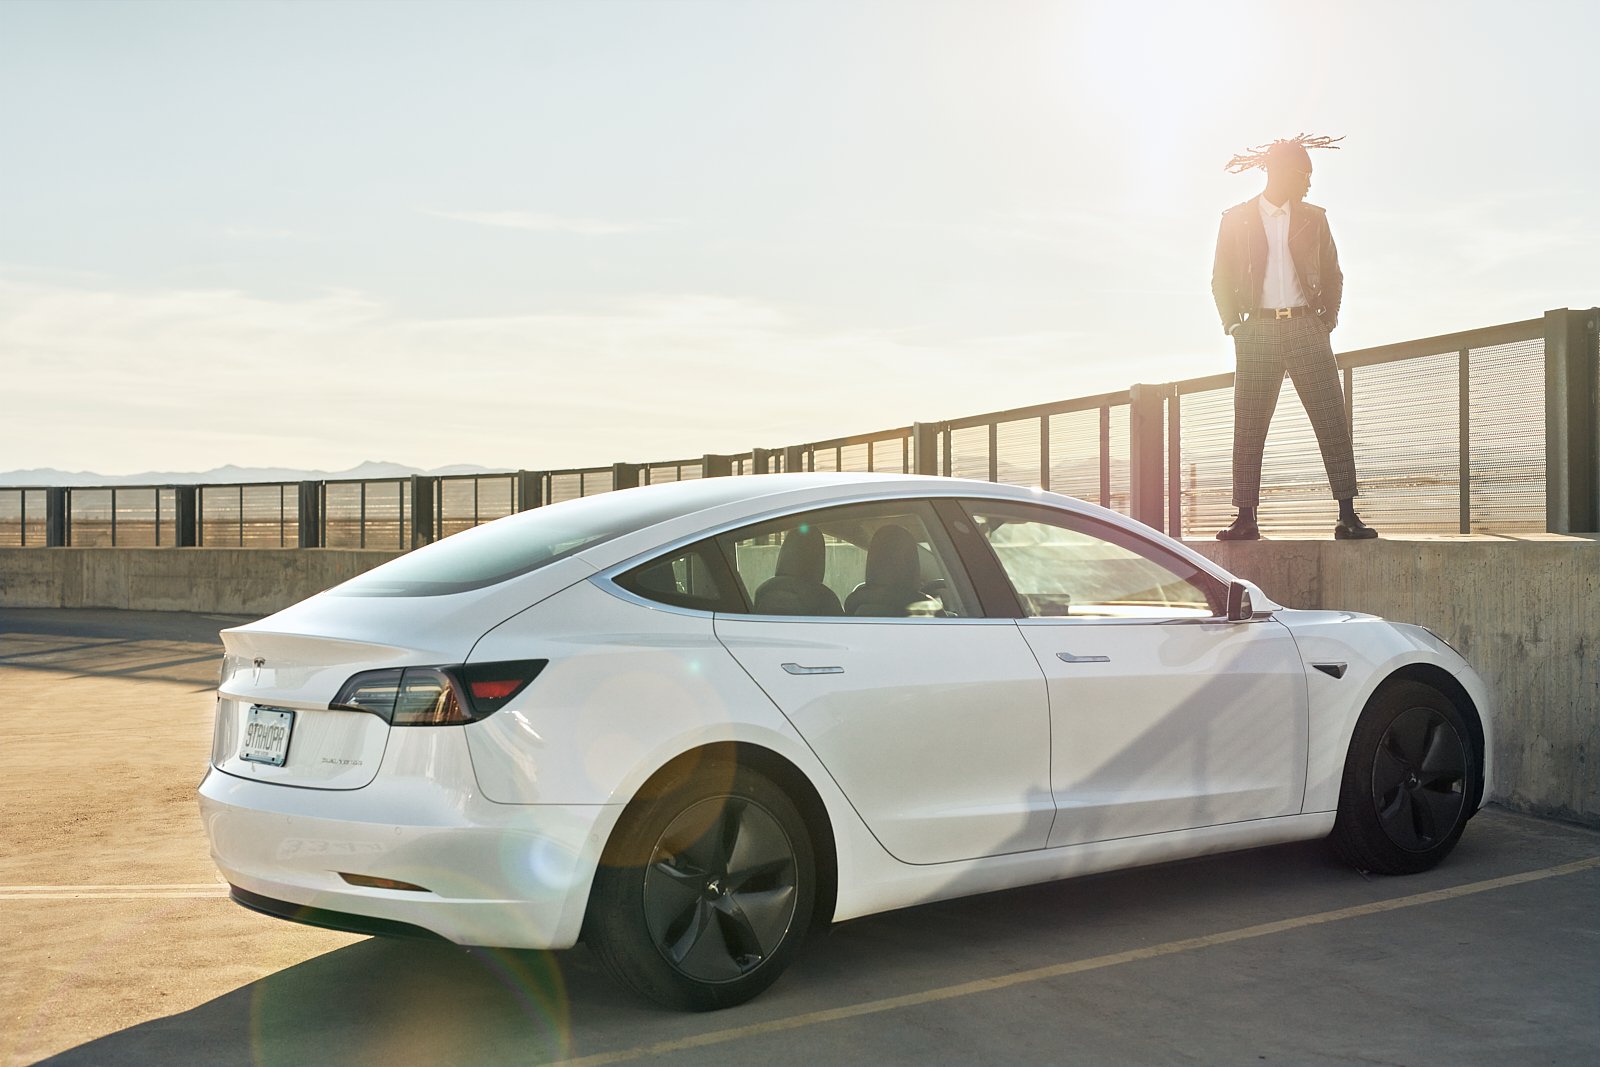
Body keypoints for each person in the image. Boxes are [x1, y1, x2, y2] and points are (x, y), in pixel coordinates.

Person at [1211, 135, 1377, 541]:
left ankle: (1346, 514)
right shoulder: (1236, 219)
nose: (1308, 184)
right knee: (1249, 425)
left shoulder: (1313, 218)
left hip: (1306, 326)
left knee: (1332, 421)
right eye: (1304, 175)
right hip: (1257, 332)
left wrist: (1327, 321)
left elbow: (1334, 274)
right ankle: (1245, 518)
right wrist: (1235, 326)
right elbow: (1222, 278)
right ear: (1281, 172)